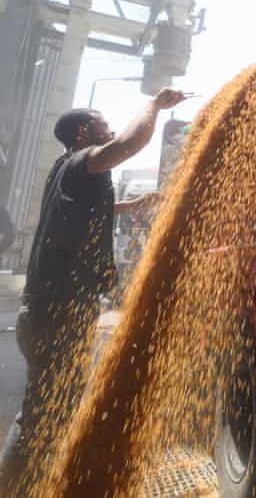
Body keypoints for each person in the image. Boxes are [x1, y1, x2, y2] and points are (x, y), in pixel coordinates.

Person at [0, 88, 186, 493]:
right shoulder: (83, 162)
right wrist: (155, 105)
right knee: (39, 418)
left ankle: (37, 484)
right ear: (84, 132)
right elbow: (128, 144)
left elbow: (85, 207)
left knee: (51, 411)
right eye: (103, 123)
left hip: (51, 312)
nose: (110, 127)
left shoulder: (63, 171)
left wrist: (129, 205)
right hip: (58, 313)